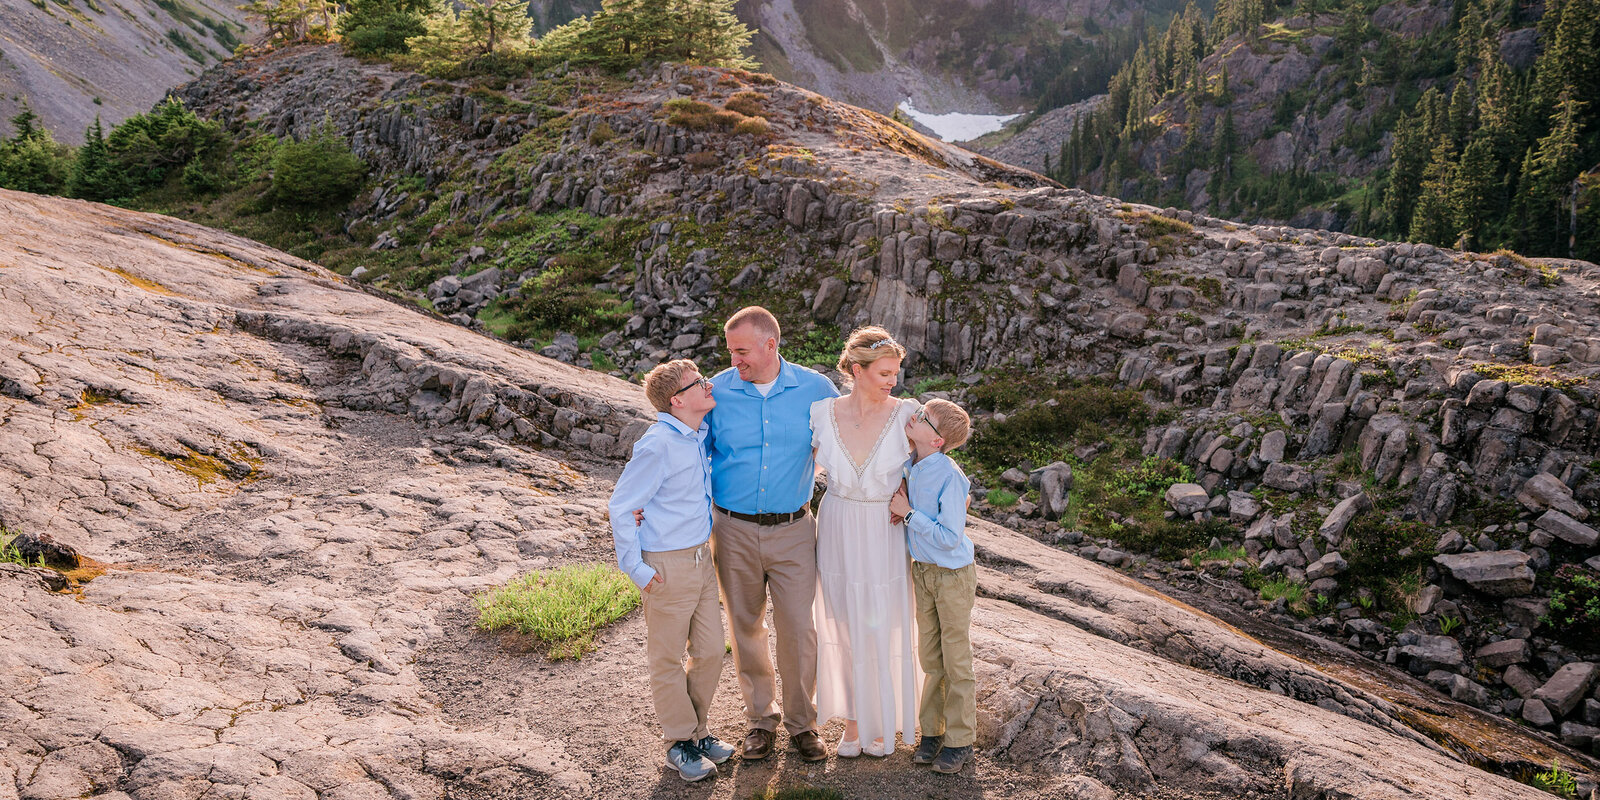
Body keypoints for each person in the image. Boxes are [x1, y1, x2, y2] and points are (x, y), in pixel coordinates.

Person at [706, 306, 839, 761]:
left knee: (799, 629)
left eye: (741, 351)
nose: (733, 361)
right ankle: (761, 720)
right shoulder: (716, 392)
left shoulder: (817, 390)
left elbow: (845, 443)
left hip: (794, 530)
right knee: (746, 627)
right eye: (730, 352)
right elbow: (694, 457)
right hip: (731, 529)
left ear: (770, 344)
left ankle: (804, 724)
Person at [607, 360, 733, 782]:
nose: (708, 384)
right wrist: (636, 569)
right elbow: (622, 505)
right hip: (665, 565)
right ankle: (679, 743)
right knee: (667, 657)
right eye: (699, 383)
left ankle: (697, 732)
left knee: (712, 650)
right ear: (678, 400)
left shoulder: (697, 433)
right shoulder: (657, 443)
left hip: (701, 559)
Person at [811, 326, 920, 758]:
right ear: (857, 370)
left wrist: (911, 499)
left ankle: (882, 721)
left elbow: (930, 464)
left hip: (883, 528)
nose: (892, 381)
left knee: (882, 619)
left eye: (895, 373)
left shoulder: (907, 413)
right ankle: (853, 721)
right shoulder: (822, 412)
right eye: (884, 373)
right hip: (836, 524)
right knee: (842, 619)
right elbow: (792, 462)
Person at [889, 398, 977, 774]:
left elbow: (950, 538)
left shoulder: (950, 476)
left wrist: (908, 515)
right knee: (929, 656)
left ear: (938, 441)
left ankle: (960, 740)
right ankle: (932, 732)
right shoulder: (912, 464)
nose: (914, 416)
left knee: (956, 658)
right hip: (923, 573)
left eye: (924, 418)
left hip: (952, 575)